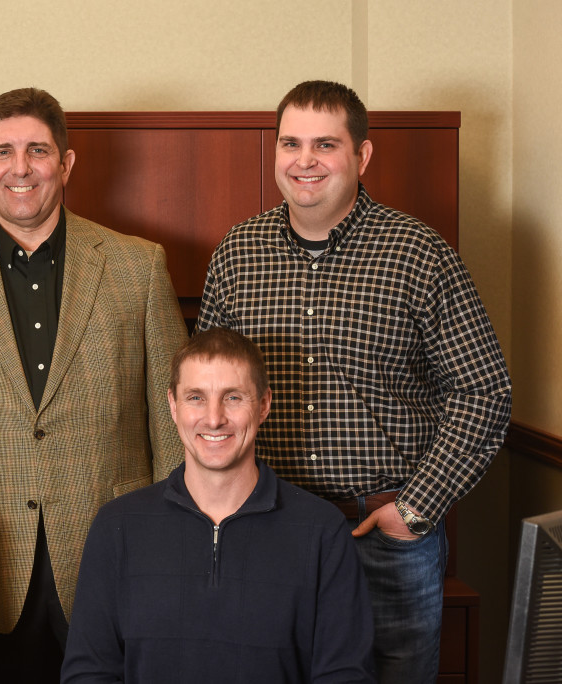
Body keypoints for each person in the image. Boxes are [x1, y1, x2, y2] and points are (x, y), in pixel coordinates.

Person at [196, 80, 512, 683]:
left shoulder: (419, 253)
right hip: (265, 527)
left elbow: (484, 391)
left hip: (386, 538)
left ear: (362, 156)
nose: (304, 161)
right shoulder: (239, 253)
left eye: (325, 144)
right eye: (291, 143)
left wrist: (415, 508)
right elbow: (208, 390)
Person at [0, 87, 188, 683]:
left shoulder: (138, 266)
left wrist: (172, 540)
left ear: (66, 162)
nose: (19, 168)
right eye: (2, 152)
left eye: (37, 150)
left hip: (116, 545)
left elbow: (170, 416)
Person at [62, 327, 375, 683]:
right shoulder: (116, 526)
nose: (213, 418)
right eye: (196, 397)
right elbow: (89, 673)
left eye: (233, 397)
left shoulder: (323, 531)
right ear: (172, 405)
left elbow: (345, 676)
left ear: (263, 405)